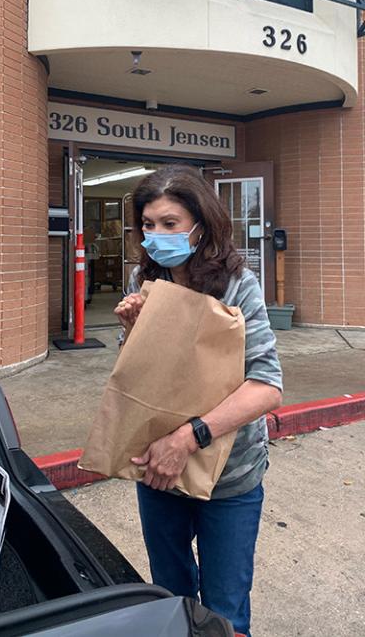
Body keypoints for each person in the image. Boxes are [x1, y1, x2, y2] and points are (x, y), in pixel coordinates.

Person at [114, 165, 283, 637]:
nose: (156, 235)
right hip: (156, 469)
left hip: (229, 476)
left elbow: (267, 385)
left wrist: (189, 438)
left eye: (170, 223)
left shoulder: (237, 285)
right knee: (170, 598)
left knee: (226, 611)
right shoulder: (142, 280)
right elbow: (140, 376)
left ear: (200, 226)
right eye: (148, 224)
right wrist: (132, 333)